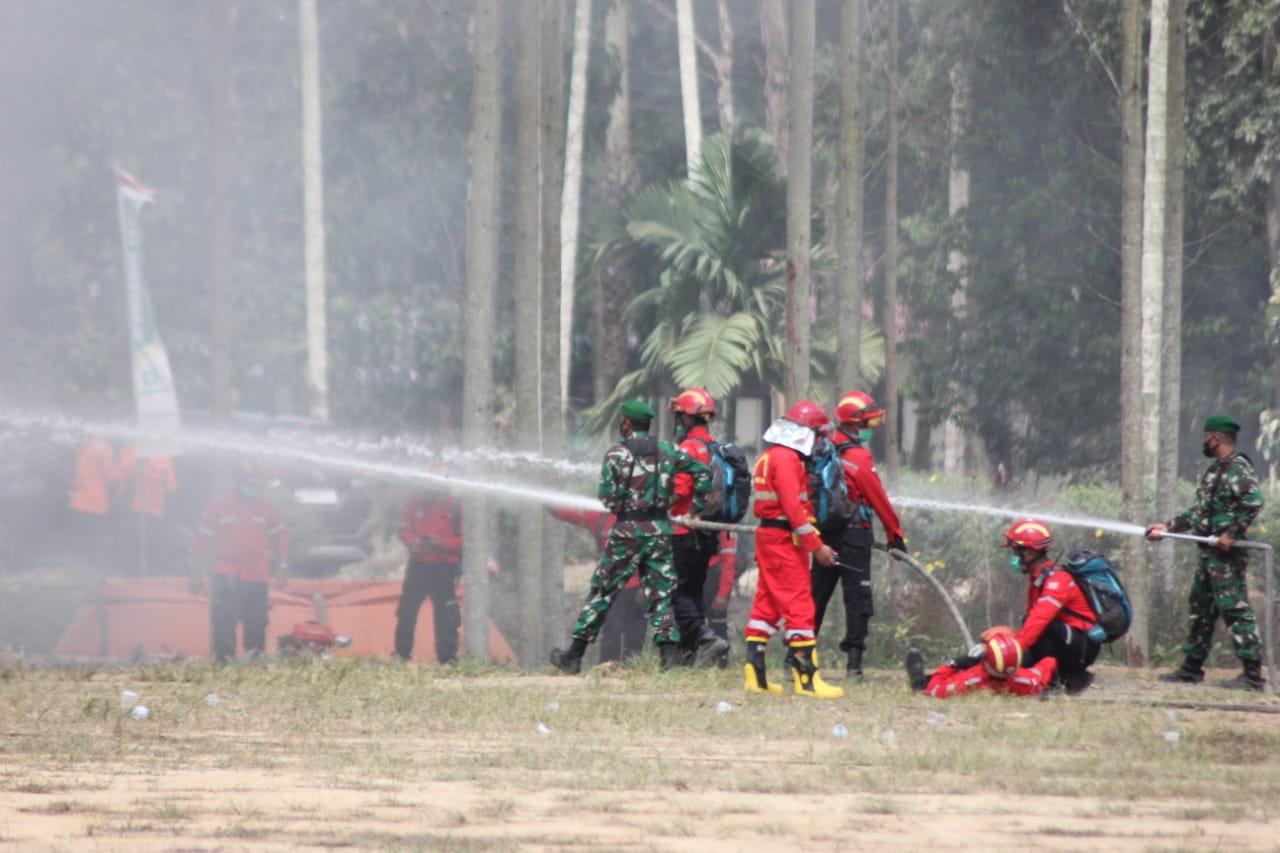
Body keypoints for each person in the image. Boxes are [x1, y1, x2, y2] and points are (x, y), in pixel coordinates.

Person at [550, 399, 711, 674]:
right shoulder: (668, 450)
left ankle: (574, 656)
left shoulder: (616, 454)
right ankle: (669, 661)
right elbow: (703, 474)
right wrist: (694, 508)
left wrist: (624, 506)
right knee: (661, 596)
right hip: (660, 532)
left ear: (626, 422)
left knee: (602, 592)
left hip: (626, 532)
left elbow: (607, 499)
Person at [1146, 413, 1266, 691]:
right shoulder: (1216, 471)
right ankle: (1191, 669)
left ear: (1216, 438)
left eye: (1205, 438)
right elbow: (1199, 512)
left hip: (1226, 558)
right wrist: (1167, 527)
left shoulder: (1237, 469)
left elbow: (1254, 500)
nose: (1204, 443)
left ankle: (1252, 675)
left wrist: (1231, 534)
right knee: (1200, 610)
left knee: (1235, 611)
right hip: (1208, 555)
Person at [743, 401, 842, 698]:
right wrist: (818, 547)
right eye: (819, 435)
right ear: (805, 432)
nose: (821, 442)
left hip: (772, 537)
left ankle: (756, 678)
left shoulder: (770, 456)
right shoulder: (786, 460)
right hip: (784, 541)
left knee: (767, 605)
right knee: (800, 605)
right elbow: (793, 509)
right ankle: (807, 681)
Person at [813, 390, 907, 679]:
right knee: (857, 598)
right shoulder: (858, 457)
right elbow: (878, 498)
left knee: (815, 597)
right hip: (854, 537)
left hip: (825, 535)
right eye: (866, 424)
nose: (869, 429)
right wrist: (895, 534)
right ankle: (854, 667)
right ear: (853, 425)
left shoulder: (825, 450)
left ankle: (798, 658)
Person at [190, 459, 290, 664]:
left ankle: (254, 666)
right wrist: (195, 574)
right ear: (238, 482)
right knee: (224, 624)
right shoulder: (218, 508)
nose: (255, 489)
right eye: (251, 484)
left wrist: (283, 565)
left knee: (256, 624)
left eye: (258, 485)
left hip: (257, 577)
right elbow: (201, 542)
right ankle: (223, 666)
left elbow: (282, 536)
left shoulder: (265, 508)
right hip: (226, 576)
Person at [996, 518, 1099, 694]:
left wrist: (1008, 652)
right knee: (1017, 661)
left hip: (1081, 648)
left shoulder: (1057, 581)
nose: (1013, 557)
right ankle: (1065, 677)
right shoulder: (1038, 580)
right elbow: (1030, 628)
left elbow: (1037, 624)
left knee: (1043, 626)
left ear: (1028, 553)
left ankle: (1054, 682)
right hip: (1064, 642)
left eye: (1015, 551)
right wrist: (1001, 645)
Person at [667, 387, 732, 666]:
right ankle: (689, 655)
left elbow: (681, 490)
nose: (679, 422)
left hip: (684, 531)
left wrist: (660, 503)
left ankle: (706, 639)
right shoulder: (713, 447)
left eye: (680, 417)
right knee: (693, 592)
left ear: (687, 418)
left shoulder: (688, 448)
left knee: (675, 591)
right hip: (707, 532)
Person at [548, 505, 647, 663]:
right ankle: (607, 668)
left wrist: (645, 585)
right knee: (612, 629)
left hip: (638, 585)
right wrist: (549, 501)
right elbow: (569, 512)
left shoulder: (645, 517)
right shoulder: (600, 517)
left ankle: (633, 669)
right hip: (609, 586)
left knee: (636, 632)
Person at [395, 482, 464, 663]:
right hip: (418, 566)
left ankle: (447, 659)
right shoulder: (416, 503)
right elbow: (403, 529)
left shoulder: (456, 506)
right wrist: (414, 542)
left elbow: (465, 540)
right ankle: (402, 655)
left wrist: (442, 543)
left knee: (446, 614)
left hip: (444, 568)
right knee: (406, 611)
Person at [905, 630, 1058, 698]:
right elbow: (1050, 662)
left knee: (923, 686)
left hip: (971, 677)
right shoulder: (1028, 682)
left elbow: (934, 690)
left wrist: (953, 663)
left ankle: (917, 681)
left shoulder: (967, 681)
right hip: (1013, 680)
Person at [68, 434, 125, 574]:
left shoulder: (84, 447)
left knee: (87, 536)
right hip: (95, 501)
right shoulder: (103, 448)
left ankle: (87, 568)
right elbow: (111, 477)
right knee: (97, 537)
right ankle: (98, 569)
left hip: (79, 500)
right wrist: (121, 472)